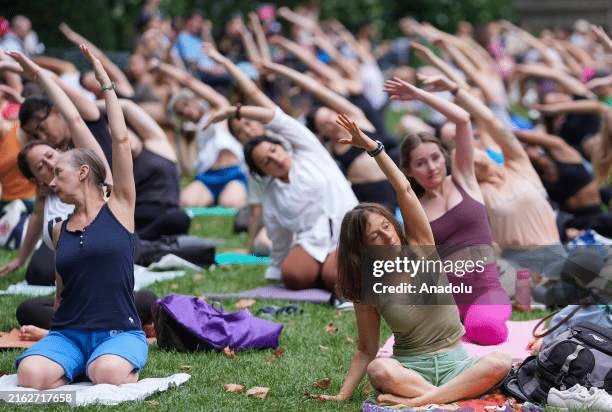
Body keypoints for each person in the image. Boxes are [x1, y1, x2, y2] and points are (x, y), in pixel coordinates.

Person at [319, 113, 511, 406]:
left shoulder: (422, 247)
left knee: (501, 361)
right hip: (410, 368)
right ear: (361, 248)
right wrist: (342, 394)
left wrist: (373, 148)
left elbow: (404, 189)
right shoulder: (367, 285)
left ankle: (420, 402)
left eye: (386, 227)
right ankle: (448, 400)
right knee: (379, 369)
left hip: (456, 361)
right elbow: (366, 350)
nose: (387, 237)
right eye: (375, 236)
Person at [15, 45, 147, 389]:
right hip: (70, 334)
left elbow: (119, 138)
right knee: (29, 376)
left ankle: (104, 361)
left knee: (107, 374)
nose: (52, 181)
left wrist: (107, 86)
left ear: (84, 172)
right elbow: (61, 297)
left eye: (59, 173)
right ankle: (75, 363)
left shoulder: (119, 204)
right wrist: (51, 333)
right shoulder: (60, 229)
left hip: (119, 331)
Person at [384, 77, 511, 345]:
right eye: (420, 163)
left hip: (485, 289)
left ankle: (476, 322)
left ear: (444, 157)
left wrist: (418, 95)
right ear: (408, 171)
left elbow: (463, 120)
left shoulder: (464, 179)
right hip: (445, 297)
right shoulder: (413, 211)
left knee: (486, 329)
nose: (431, 167)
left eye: (435, 158)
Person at [206, 102, 358, 292]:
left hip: (348, 230)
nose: (276, 159)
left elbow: (277, 118)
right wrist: (276, 266)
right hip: (313, 241)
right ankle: (325, 268)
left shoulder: (309, 152)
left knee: (335, 277)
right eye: (266, 161)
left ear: (281, 146)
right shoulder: (272, 194)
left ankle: (335, 267)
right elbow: (279, 236)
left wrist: (233, 111)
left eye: (273, 151)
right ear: (262, 172)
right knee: (292, 276)